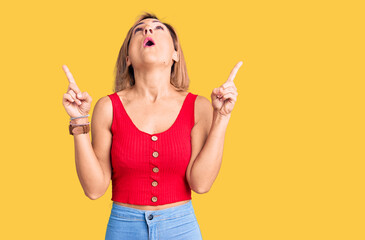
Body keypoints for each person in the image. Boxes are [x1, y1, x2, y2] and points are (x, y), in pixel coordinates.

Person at [62, 11, 242, 240]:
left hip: (181, 228)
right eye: (139, 30)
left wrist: (222, 117)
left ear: (175, 54)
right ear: (127, 58)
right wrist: (78, 121)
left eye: (158, 28)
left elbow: (201, 183)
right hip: (123, 228)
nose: (147, 30)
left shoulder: (199, 106)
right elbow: (94, 189)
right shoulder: (107, 107)